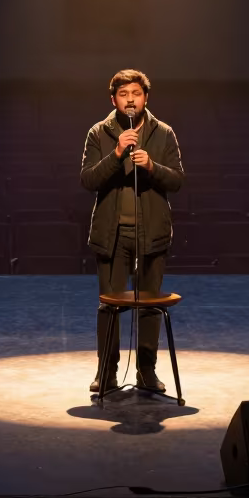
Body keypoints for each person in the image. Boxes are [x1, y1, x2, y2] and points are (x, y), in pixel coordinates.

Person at [80, 68, 184, 394]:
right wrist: (116, 154)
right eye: (123, 95)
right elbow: (88, 180)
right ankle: (106, 373)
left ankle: (146, 372)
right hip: (113, 235)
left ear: (145, 98)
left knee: (151, 304)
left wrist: (152, 167)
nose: (130, 100)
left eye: (135, 94)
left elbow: (177, 180)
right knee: (109, 306)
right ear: (114, 99)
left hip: (151, 233)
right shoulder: (99, 133)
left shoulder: (164, 133)